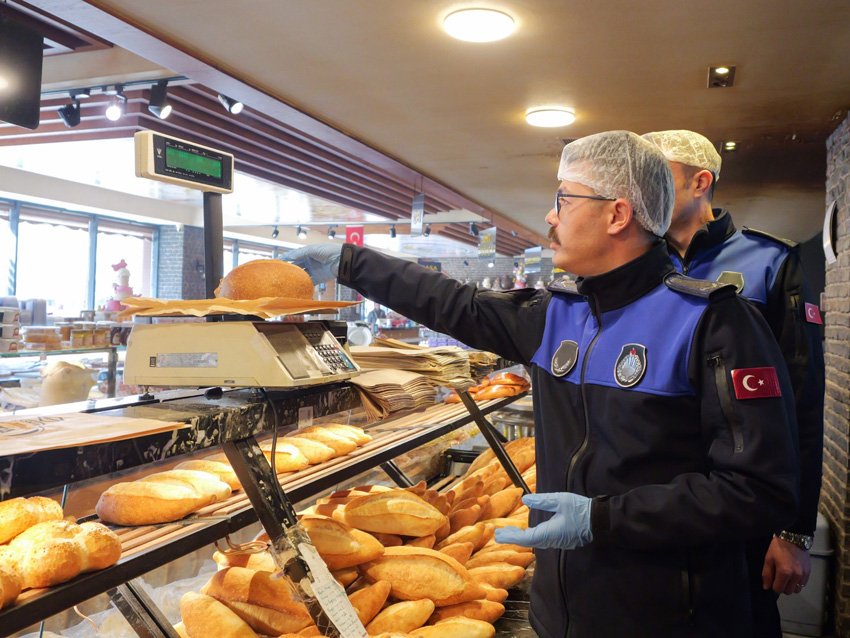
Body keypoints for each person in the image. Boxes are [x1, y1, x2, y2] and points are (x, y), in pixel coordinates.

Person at [286, 130, 799, 638]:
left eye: (564, 200)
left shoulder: (713, 323)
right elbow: (456, 304)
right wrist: (350, 262)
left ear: (617, 214)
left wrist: (602, 519)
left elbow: (758, 490)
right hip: (560, 614)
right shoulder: (559, 313)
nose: (551, 217)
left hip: (671, 618)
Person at [643, 129, 824, 637]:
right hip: (656, 503)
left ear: (700, 182)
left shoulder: (769, 262)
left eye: (655, 177)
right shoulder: (635, 265)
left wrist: (794, 531)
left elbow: (802, 403)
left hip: (744, 507)